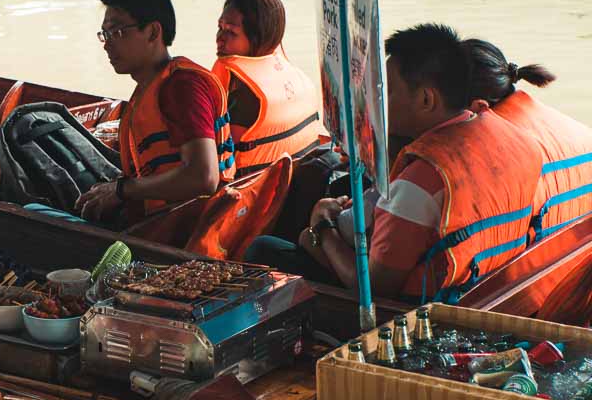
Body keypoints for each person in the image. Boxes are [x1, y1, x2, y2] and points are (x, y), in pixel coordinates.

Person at [248, 24, 543, 303]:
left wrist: (322, 227)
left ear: (427, 99)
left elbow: (375, 289)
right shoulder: (511, 137)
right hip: (480, 289)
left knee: (265, 249)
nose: (379, 102)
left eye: (387, 91)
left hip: (414, 314)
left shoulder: (422, 181)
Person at [75, 0, 234, 224]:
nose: (107, 44)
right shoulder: (152, 85)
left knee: (36, 209)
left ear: (153, 32)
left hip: (171, 229)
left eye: (117, 32)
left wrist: (121, 191)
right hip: (155, 218)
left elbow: (204, 177)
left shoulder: (181, 87)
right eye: (104, 34)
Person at [463, 38, 592, 242]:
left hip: (531, 270)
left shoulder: (488, 157)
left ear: (476, 106)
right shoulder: (580, 132)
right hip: (576, 262)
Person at [212, 0, 325, 176]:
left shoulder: (245, 101)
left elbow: (221, 164)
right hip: (296, 181)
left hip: (259, 199)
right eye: (220, 27)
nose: (219, 38)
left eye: (231, 32)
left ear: (257, 37)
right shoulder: (297, 77)